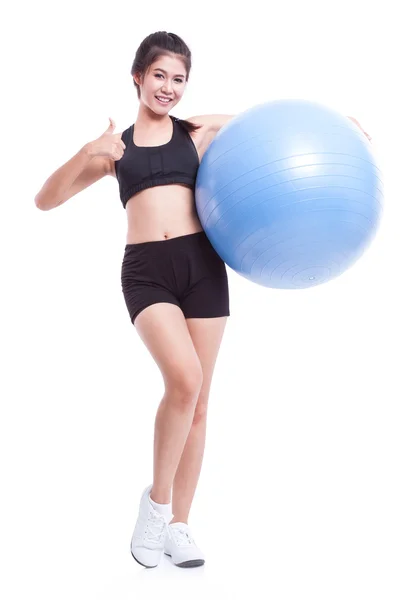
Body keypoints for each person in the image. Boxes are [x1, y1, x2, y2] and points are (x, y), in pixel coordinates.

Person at [34, 31, 372, 570]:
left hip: (203, 270)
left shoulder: (197, 131)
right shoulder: (114, 152)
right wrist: (86, 152)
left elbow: (271, 127)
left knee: (200, 402)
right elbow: (44, 200)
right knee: (184, 381)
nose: (168, 87)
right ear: (138, 77)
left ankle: (180, 528)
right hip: (147, 274)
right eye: (159, 75)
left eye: (178, 78)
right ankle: (155, 509)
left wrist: (339, 134)